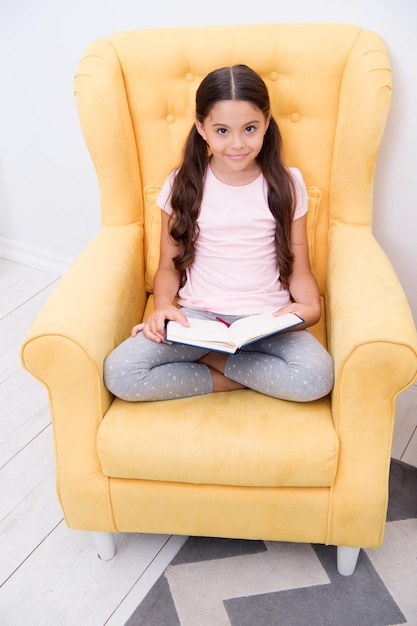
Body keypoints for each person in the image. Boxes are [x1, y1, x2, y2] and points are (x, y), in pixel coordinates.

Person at [104, 64, 334, 402]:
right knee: (121, 372)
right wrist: (164, 306)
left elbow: (299, 269)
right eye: (222, 131)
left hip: (267, 320)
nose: (237, 143)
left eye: (250, 129)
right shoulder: (182, 184)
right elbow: (168, 267)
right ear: (201, 127)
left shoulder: (287, 184)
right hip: (197, 320)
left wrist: (310, 307)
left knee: (316, 377)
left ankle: (216, 362)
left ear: (267, 123)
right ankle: (236, 372)